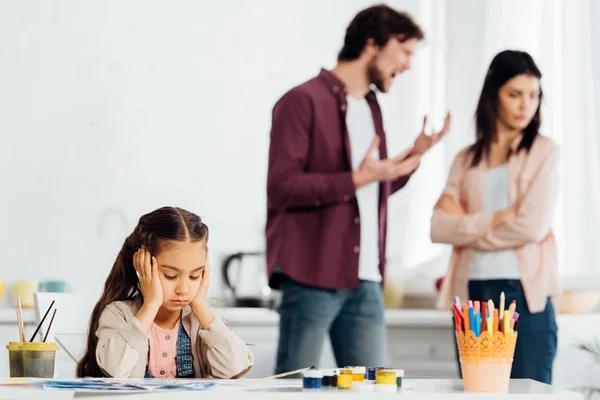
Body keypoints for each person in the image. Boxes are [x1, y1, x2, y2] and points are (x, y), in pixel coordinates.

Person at [266, 4, 450, 374]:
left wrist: (413, 157)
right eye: (404, 51)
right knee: (292, 389)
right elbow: (282, 187)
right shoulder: (300, 102)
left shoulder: (370, 107)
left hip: (367, 279)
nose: (408, 64)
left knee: (375, 393)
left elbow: (368, 189)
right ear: (372, 44)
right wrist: (358, 178)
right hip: (311, 276)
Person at [431, 50, 559, 384]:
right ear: (494, 95)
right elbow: (438, 226)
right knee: (478, 390)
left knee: (530, 392)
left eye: (533, 95)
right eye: (514, 94)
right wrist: (498, 218)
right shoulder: (465, 159)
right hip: (472, 293)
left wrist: (468, 227)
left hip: (524, 295)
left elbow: (531, 227)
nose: (525, 105)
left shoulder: (544, 152)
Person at [77, 206, 254, 378]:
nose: (183, 289)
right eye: (170, 275)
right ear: (142, 266)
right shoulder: (119, 314)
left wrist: (201, 307)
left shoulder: (200, 320)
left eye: (194, 276)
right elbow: (114, 369)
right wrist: (151, 305)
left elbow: (235, 368)